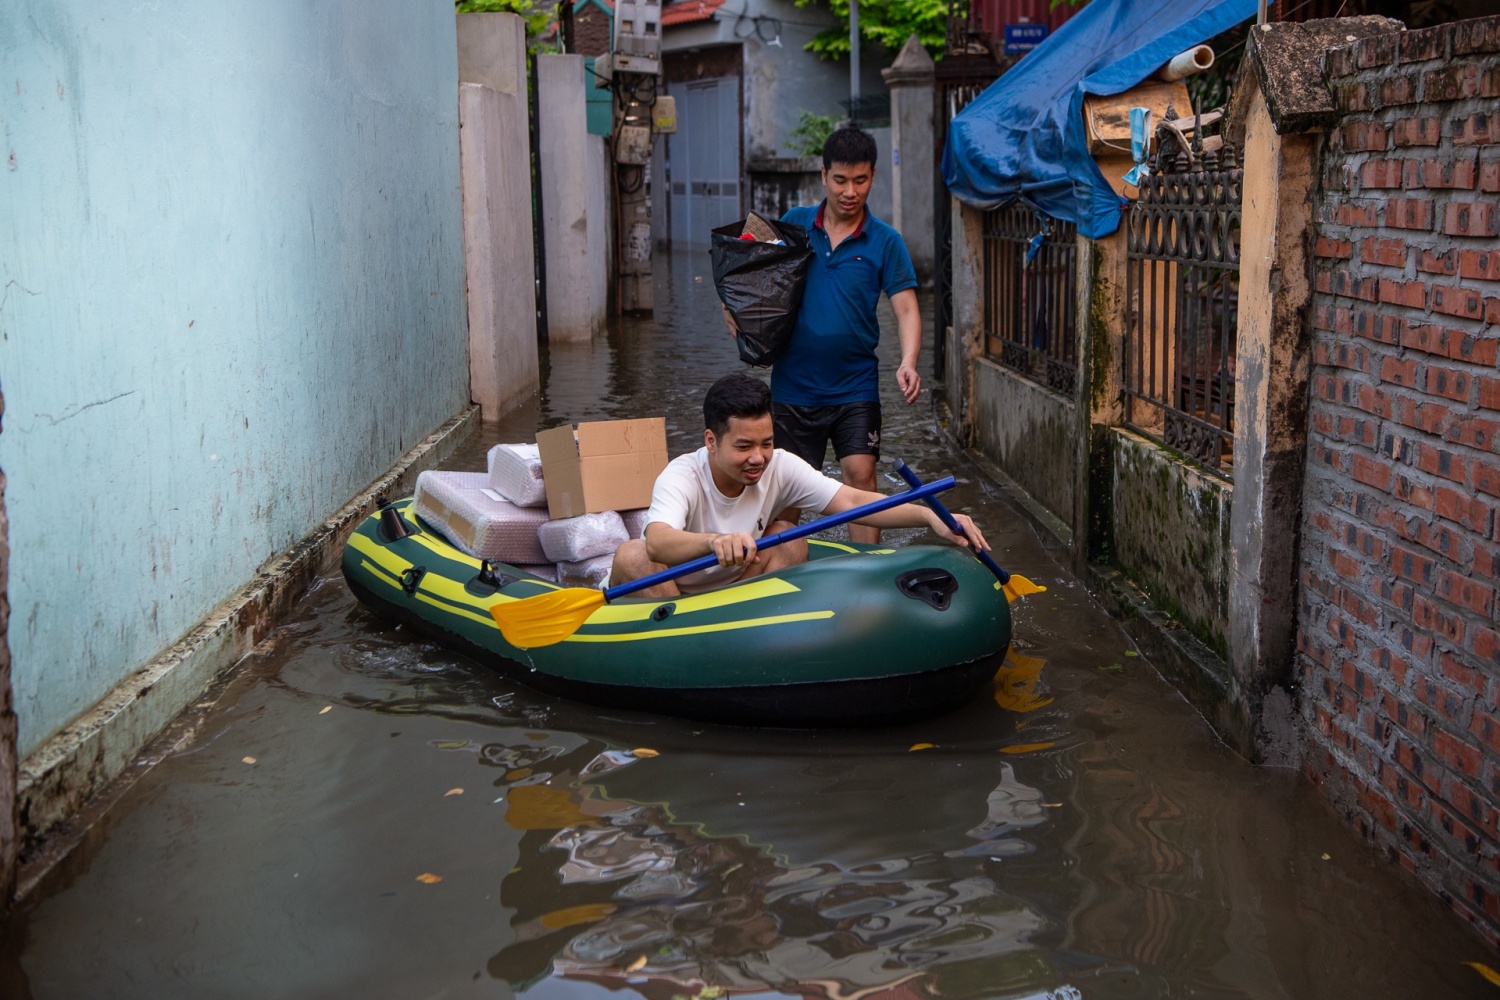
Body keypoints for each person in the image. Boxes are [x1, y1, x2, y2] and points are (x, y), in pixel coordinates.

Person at [609, 374, 986, 599]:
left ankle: (751, 629)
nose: (758, 458)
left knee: (789, 536)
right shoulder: (682, 475)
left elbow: (853, 500)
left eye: (766, 443)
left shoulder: (780, 465)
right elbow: (657, 541)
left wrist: (930, 516)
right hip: (673, 597)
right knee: (632, 555)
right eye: (743, 446)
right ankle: (680, 642)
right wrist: (713, 542)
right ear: (711, 441)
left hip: (736, 590)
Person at [724, 125, 921, 545]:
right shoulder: (794, 224)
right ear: (823, 175)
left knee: (861, 477)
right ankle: (781, 565)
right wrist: (733, 312)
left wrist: (908, 361)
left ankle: (865, 567)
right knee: (786, 492)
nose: (850, 192)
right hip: (794, 385)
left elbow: (905, 306)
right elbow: (744, 267)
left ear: (872, 176)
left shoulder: (886, 241)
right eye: (840, 180)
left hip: (856, 385)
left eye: (861, 180)